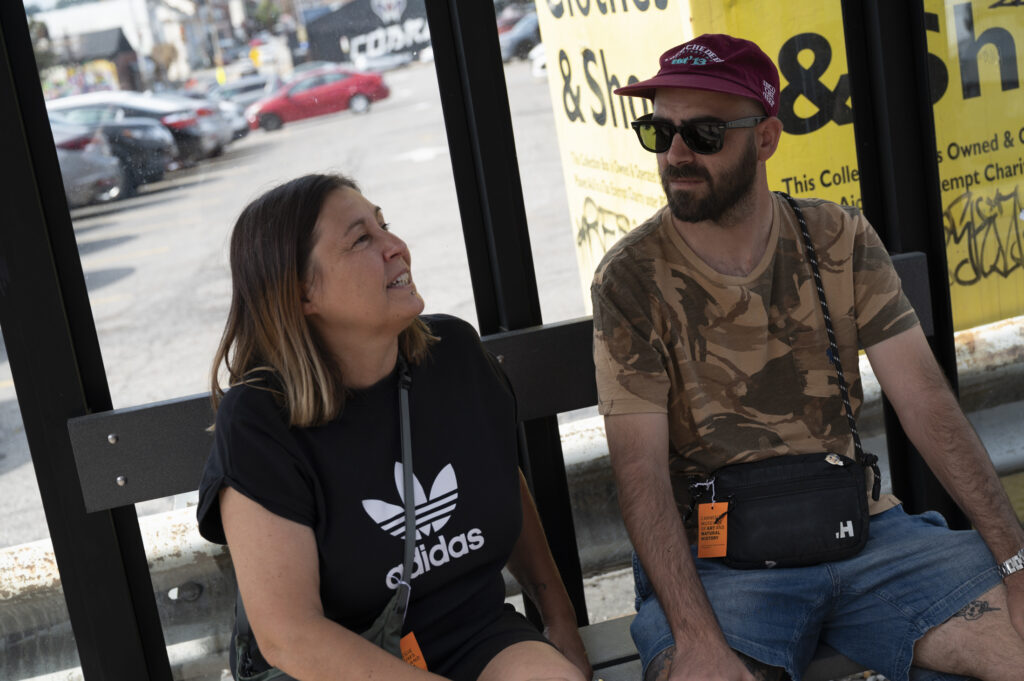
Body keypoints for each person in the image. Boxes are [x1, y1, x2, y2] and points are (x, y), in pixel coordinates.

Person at [591, 33, 1024, 681]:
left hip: (866, 535)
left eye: (704, 134)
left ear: (765, 138)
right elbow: (640, 470)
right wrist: (695, 636)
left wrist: (1016, 561)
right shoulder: (631, 276)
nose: (677, 153)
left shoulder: (837, 236)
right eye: (660, 131)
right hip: (718, 564)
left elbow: (926, 402)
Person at [196, 173, 591, 681]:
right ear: (300, 294)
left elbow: (499, 479)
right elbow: (290, 635)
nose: (397, 247)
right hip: (341, 665)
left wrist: (560, 623)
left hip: (474, 633)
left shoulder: (455, 356)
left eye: (385, 226)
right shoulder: (259, 421)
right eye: (362, 239)